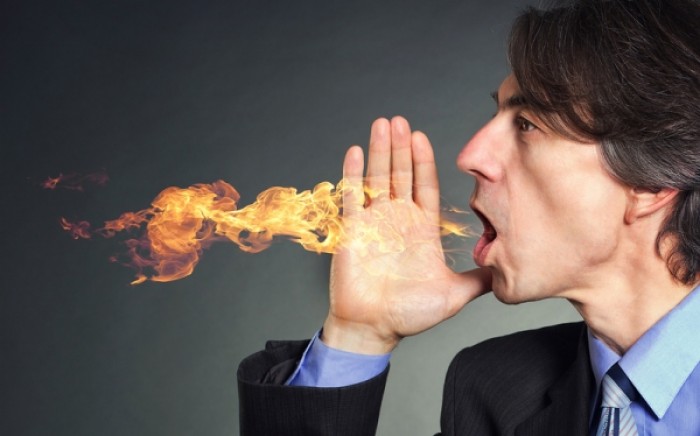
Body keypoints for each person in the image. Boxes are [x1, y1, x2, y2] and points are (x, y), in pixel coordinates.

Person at [237, 0, 700, 434]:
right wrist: (358, 337)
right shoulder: (493, 392)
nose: (470, 156)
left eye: (527, 124)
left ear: (649, 183)